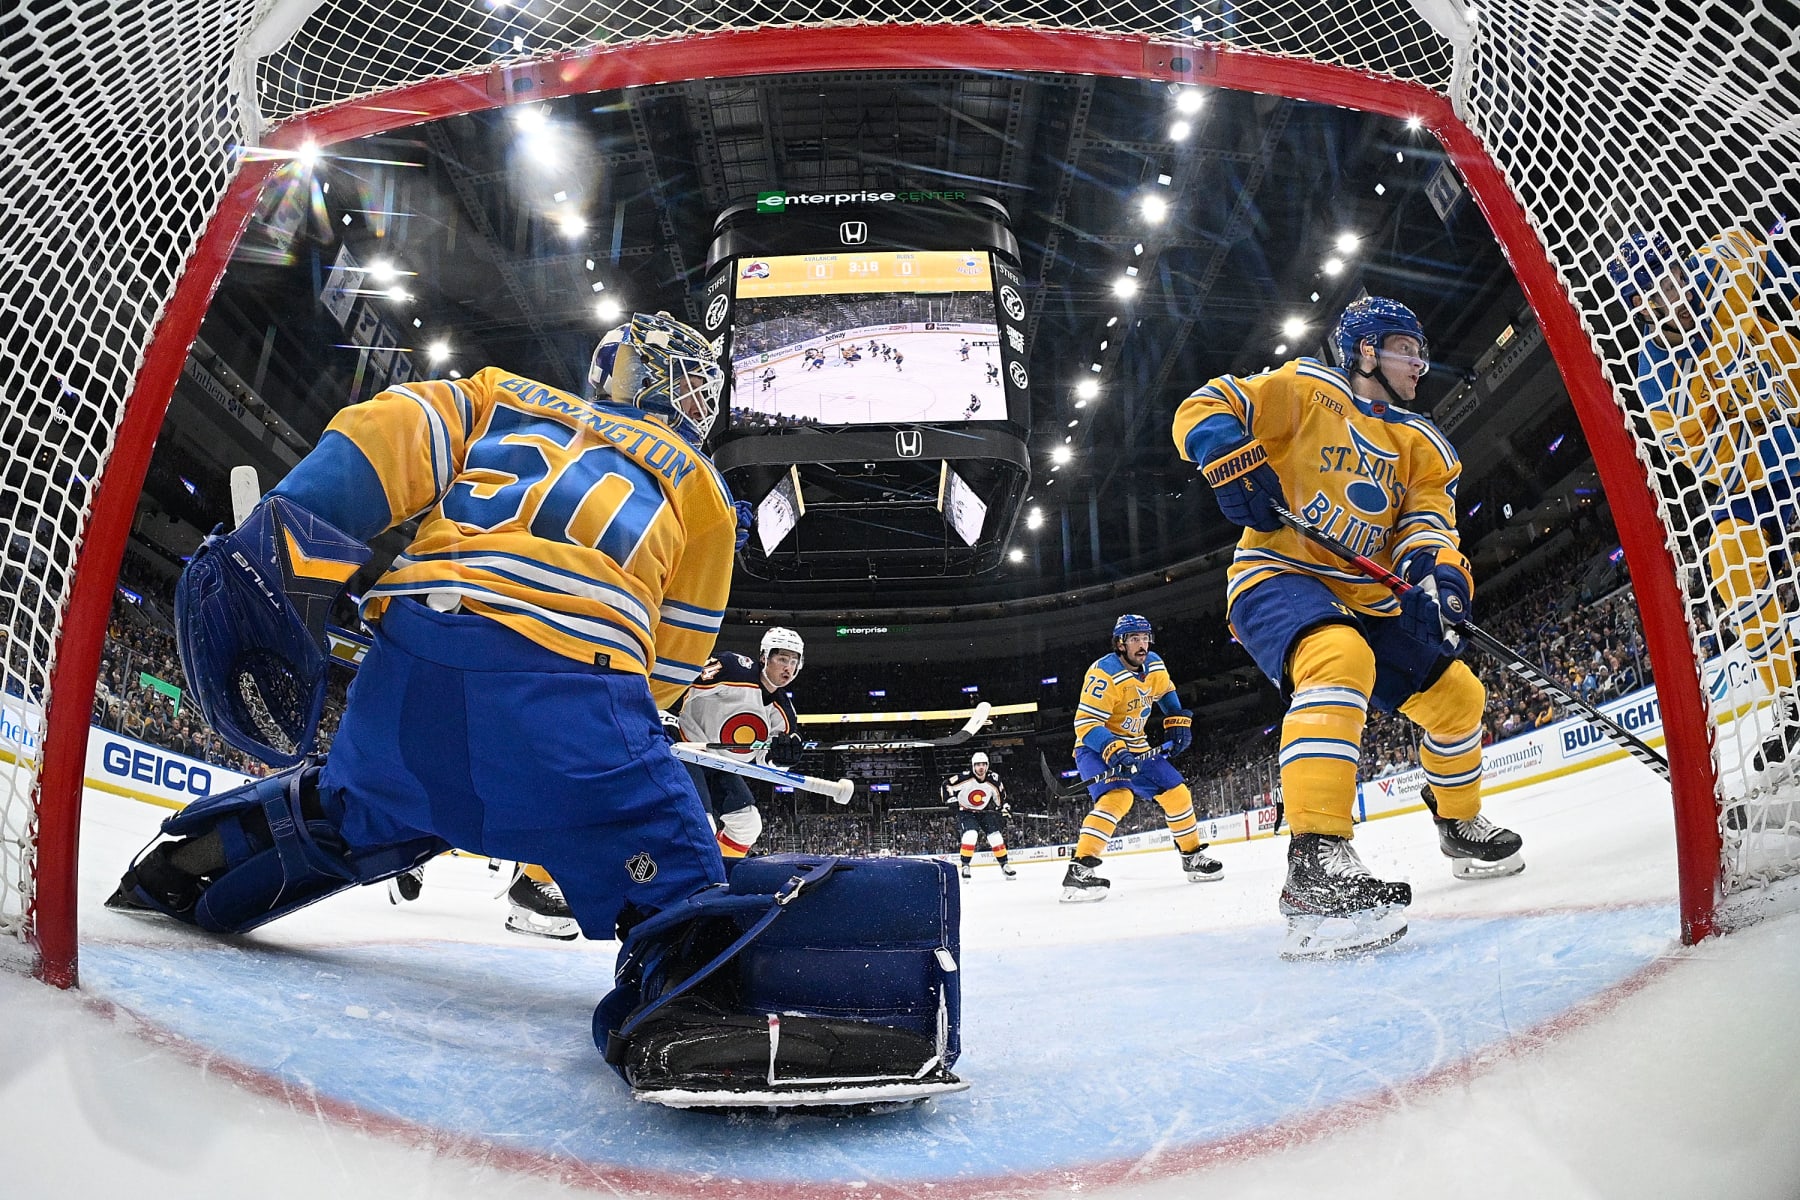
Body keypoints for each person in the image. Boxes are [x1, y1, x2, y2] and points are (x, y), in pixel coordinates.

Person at [109, 309, 736, 957]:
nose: (698, 406)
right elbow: (671, 664)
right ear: (645, 376)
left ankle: (185, 869)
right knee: (677, 865)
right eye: (690, 387)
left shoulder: (502, 392)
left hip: (413, 644)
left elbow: (391, 426)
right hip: (573, 683)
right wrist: (590, 754)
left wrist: (289, 528)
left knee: (362, 805)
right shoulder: (700, 484)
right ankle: (689, 981)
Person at [1172, 295, 1523, 960]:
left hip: (1368, 599)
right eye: (1405, 349)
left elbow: (1429, 527)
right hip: (1278, 575)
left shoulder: (1424, 445)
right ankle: (1315, 862)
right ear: (1365, 350)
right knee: (1339, 658)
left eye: (1420, 353)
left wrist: (1439, 581)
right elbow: (1207, 403)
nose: (1419, 364)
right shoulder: (1308, 389)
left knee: (1459, 699)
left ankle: (1457, 822)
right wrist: (1228, 453)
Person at [1608, 227, 1800, 793]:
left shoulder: (1730, 259)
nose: (1665, 296)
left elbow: (1786, 273)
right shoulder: (1654, 377)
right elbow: (1714, 461)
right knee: (1728, 560)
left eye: (1668, 278)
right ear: (1637, 306)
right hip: (1759, 473)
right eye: (1650, 294)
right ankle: (1792, 695)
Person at [1061, 614, 1221, 902]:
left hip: (1136, 746)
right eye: (1134, 638)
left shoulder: (1155, 664)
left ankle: (1191, 857)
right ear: (1120, 644)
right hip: (1095, 747)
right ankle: (1079, 869)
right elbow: (1085, 724)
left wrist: (1176, 720)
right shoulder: (1103, 673)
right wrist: (1113, 749)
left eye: (1145, 637)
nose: (1142, 644)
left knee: (1177, 793)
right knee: (1118, 797)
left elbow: (1166, 691)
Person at [676, 626, 806, 859]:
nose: (789, 667)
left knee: (748, 825)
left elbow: (764, 761)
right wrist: (666, 715)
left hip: (717, 764)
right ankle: (685, 875)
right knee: (702, 825)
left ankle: (721, 870)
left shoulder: (785, 713)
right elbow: (683, 683)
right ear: (764, 657)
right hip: (683, 748)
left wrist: (781, 759)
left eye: (794, 661)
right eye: (782, 659)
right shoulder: (733, 669)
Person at [943, 750, 1015, 880]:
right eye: (977, 764)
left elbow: (1000, 797)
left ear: (987, 765)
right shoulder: (965, 778)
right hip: (966, 812)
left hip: (983, 811)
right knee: (971, 835)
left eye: (983, 764)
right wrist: (950, 799)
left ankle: (1004, 864)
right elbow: (946, 784)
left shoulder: (994, 779)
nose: (981, 767)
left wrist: (1004, 807)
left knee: (995, 836)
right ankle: (965, 865)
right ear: (973, 766)